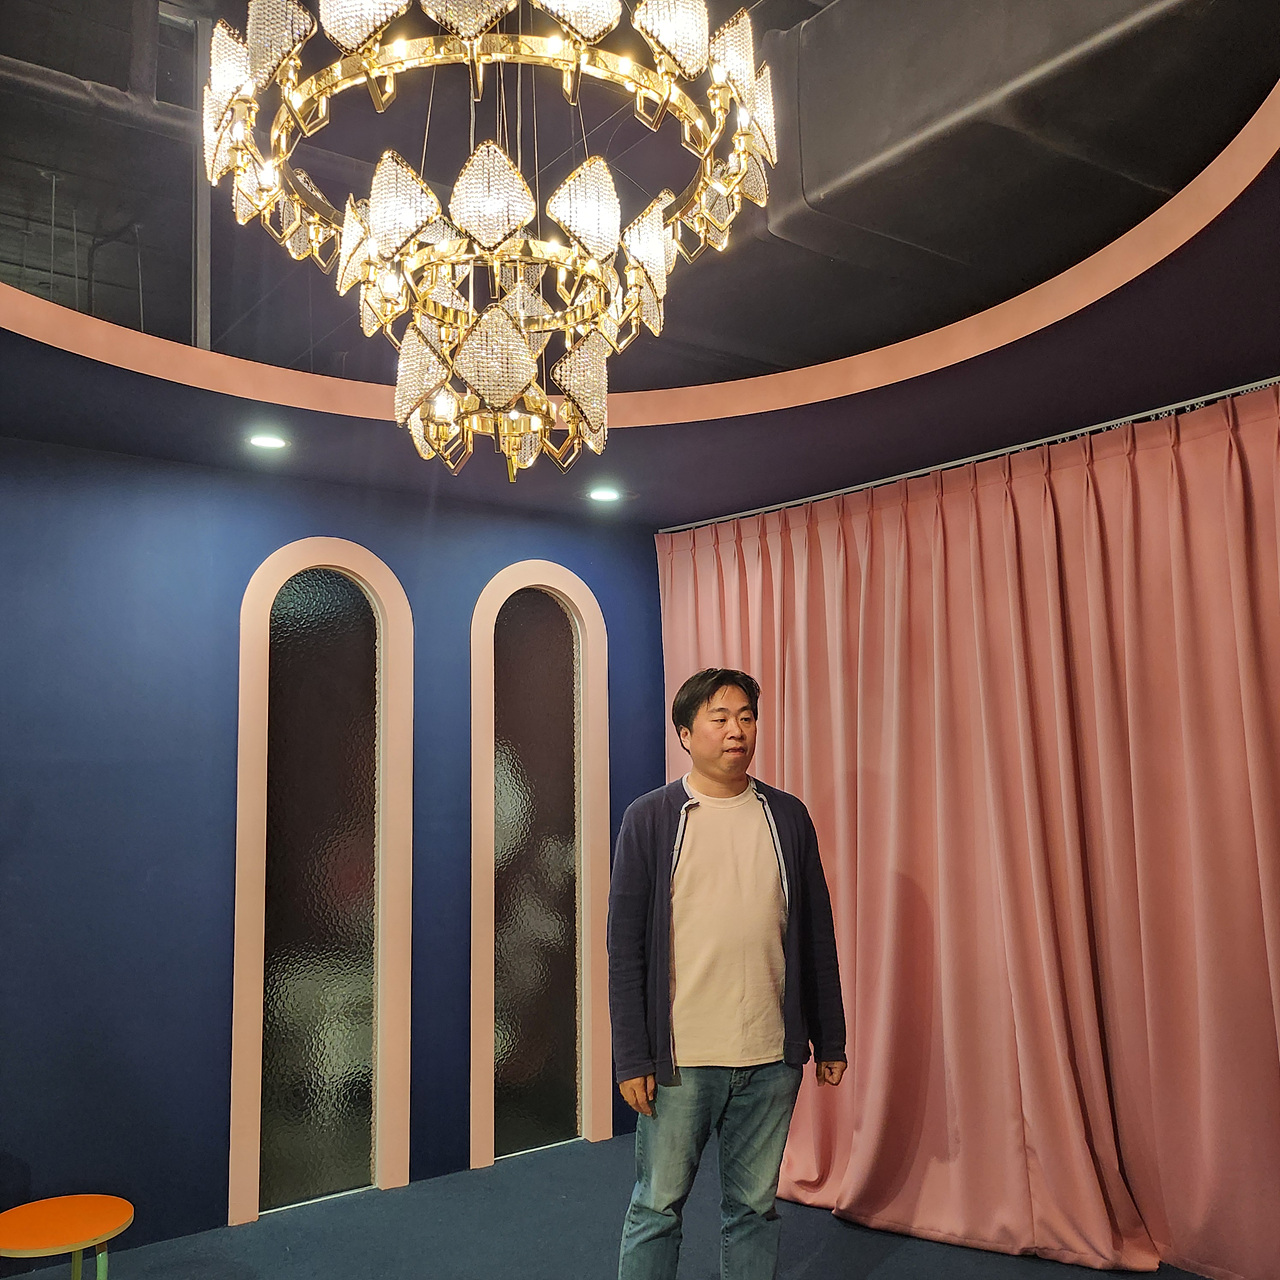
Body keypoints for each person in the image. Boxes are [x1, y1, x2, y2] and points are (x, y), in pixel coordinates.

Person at [608, 668, 846, 1280]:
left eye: (746, 717)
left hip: (771, 1056)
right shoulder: (650, 818)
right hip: (681, 1058)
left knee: (754, 1209)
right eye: (719, 718)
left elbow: (816, 934)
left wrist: (831, 1037)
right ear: (686, 734)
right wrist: (632, 1056)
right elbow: (625, 949)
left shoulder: (787, 817)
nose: (736, 730)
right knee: (658, 1207)